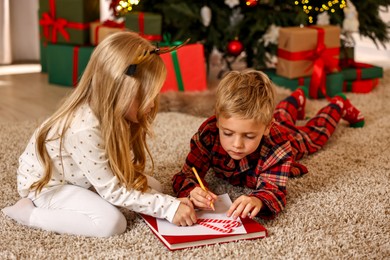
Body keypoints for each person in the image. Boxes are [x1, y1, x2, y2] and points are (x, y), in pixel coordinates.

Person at [2, 32, 197, 237]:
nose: (152, 104)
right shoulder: (83, 128)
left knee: (153, 187)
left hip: (80, 177)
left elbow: (118, 170)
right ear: (121, 92)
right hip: (48, 186)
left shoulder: (116, 115)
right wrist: (168, 208)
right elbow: (112, 191)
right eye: (147, 97)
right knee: (111, 223)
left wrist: (169, 203)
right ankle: (29, 214)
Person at [172, 69, 364, 220]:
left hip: (287, 137)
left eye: (248, 136)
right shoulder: (209, 133)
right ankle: (296, 98)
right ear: (218, 121)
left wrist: (257, 199)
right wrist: (192, 190)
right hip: (268, 123)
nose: (237, 144)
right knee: (281, 116)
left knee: (312, 136)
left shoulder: (278, 145)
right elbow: (186, 174)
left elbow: (274, 190)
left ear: (266, 128)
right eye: (228, 133)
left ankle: (338, 105)